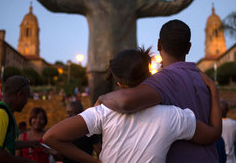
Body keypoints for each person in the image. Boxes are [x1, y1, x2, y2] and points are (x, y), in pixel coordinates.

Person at [10, 0, 213, 103]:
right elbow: (53, 3)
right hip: (98, 66)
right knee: (98, 116)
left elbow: (169, 6)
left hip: (128, 66)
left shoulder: (134, 0)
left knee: (131, 113)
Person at [43, 47, 221, 163]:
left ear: (118, 83)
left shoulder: (102, 112)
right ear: (150, 75)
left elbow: (51, 137)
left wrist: (97, 162)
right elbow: (213, 134)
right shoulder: (174, 116)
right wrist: (213, 91)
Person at [95, 19, 219, 162]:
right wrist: (215, 91)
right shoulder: (203, 80)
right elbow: (215, 132)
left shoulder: (161, 80)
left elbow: (125, 102)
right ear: (189, 47)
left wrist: (103, 98)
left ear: (159, 44)